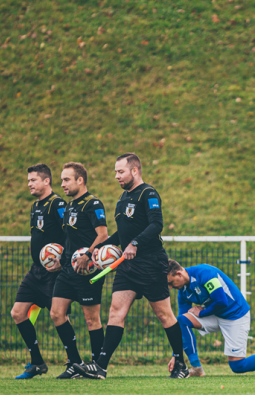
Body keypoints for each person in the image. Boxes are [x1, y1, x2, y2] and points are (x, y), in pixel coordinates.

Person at [76, 153, 189, 380]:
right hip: (127, 266)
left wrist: (136, 243)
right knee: (116, 312)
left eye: (121, 171)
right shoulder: (122, 199)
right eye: (116, 172)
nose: (117, 176)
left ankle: (181, 365)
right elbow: (122, 234)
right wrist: (97, 249)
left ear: (134, 171)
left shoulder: (148, 193)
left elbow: (157, 224)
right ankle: (101, 367)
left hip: (151, 263)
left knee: (164, 315)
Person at [166, 260, 255, 376]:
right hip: (214, 313)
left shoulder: (205, 273)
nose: (170, 287)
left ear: (179, 273)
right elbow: (180, 326)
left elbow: (221, 301)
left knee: (238, 366)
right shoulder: (182, 292)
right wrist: (176, 355)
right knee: (182, 320)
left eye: (171, 283)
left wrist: (202, 313)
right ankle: (197, 369)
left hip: (235, 315)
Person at [50, 162, 108, 379]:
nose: (62, 184)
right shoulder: (69, 206)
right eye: (62, 180)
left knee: (91, 319)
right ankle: (74, 363)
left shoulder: (93, 204)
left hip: (87, 270)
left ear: (80, 180)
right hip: (67, 269)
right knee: (57, 313)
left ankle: (97, 365)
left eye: (67, 179)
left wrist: (88, 254)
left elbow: (103, 235)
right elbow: (70, 238)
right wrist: (61, 259)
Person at [11, 164, 66, 379]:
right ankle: (36, 362)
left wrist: (64, 259)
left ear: (46, 181)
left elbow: (69, 234)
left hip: (55, 273)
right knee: (17, 312)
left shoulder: (58, 204)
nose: (29, 184)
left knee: (59, 316)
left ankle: (74, 362)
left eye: (33, 180)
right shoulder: (36, 206)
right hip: (36, 272)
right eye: (28, 181)